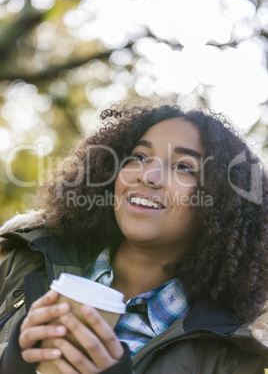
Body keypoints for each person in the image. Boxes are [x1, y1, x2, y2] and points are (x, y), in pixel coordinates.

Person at [0, 101, 268, 373]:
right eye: (139, 157)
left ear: (220, 202)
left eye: (183, 167)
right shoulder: (21, 259)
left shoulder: (235, 353)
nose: (148, 176)